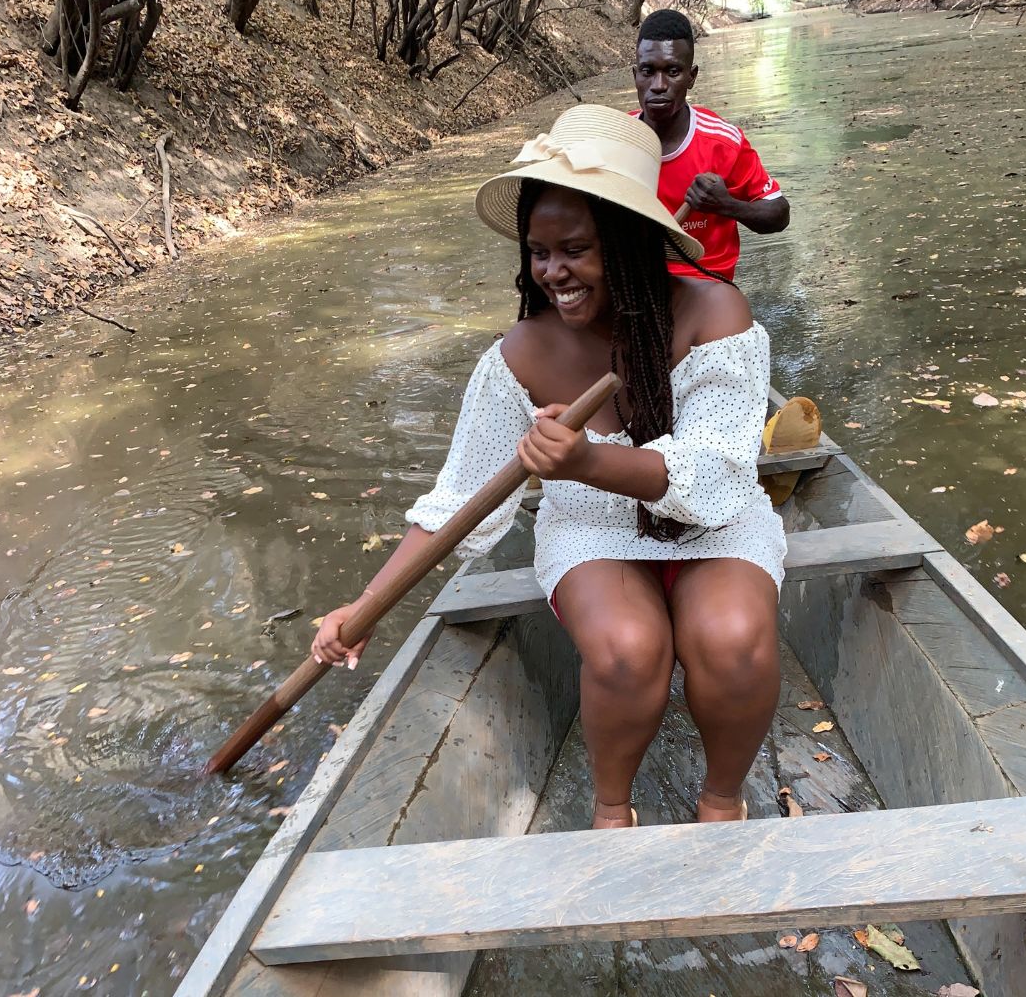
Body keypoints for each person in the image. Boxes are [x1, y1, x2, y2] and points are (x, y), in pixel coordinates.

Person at [311, 105, 786, 829]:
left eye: (576, 250)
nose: (553, 273)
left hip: (713, 526)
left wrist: (589, 457)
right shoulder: (519, 356)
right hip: (595, 533)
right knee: (629, 652)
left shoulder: (715, 314)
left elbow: (717, 476)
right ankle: (610, 811)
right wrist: (364, 607)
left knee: (732, 641)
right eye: (539, 252)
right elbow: (460, 498)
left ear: (627, 244)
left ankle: (722, 800)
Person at [632, 8, 790, 282]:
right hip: (637, 286)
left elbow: (779, 213)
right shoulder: (614, 141)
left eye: (672, 71)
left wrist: (727, 205)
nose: (658, 85)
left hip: (708, 288)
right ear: (635, 75)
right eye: (648, 71)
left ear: (691, 77)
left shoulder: (723, 142)